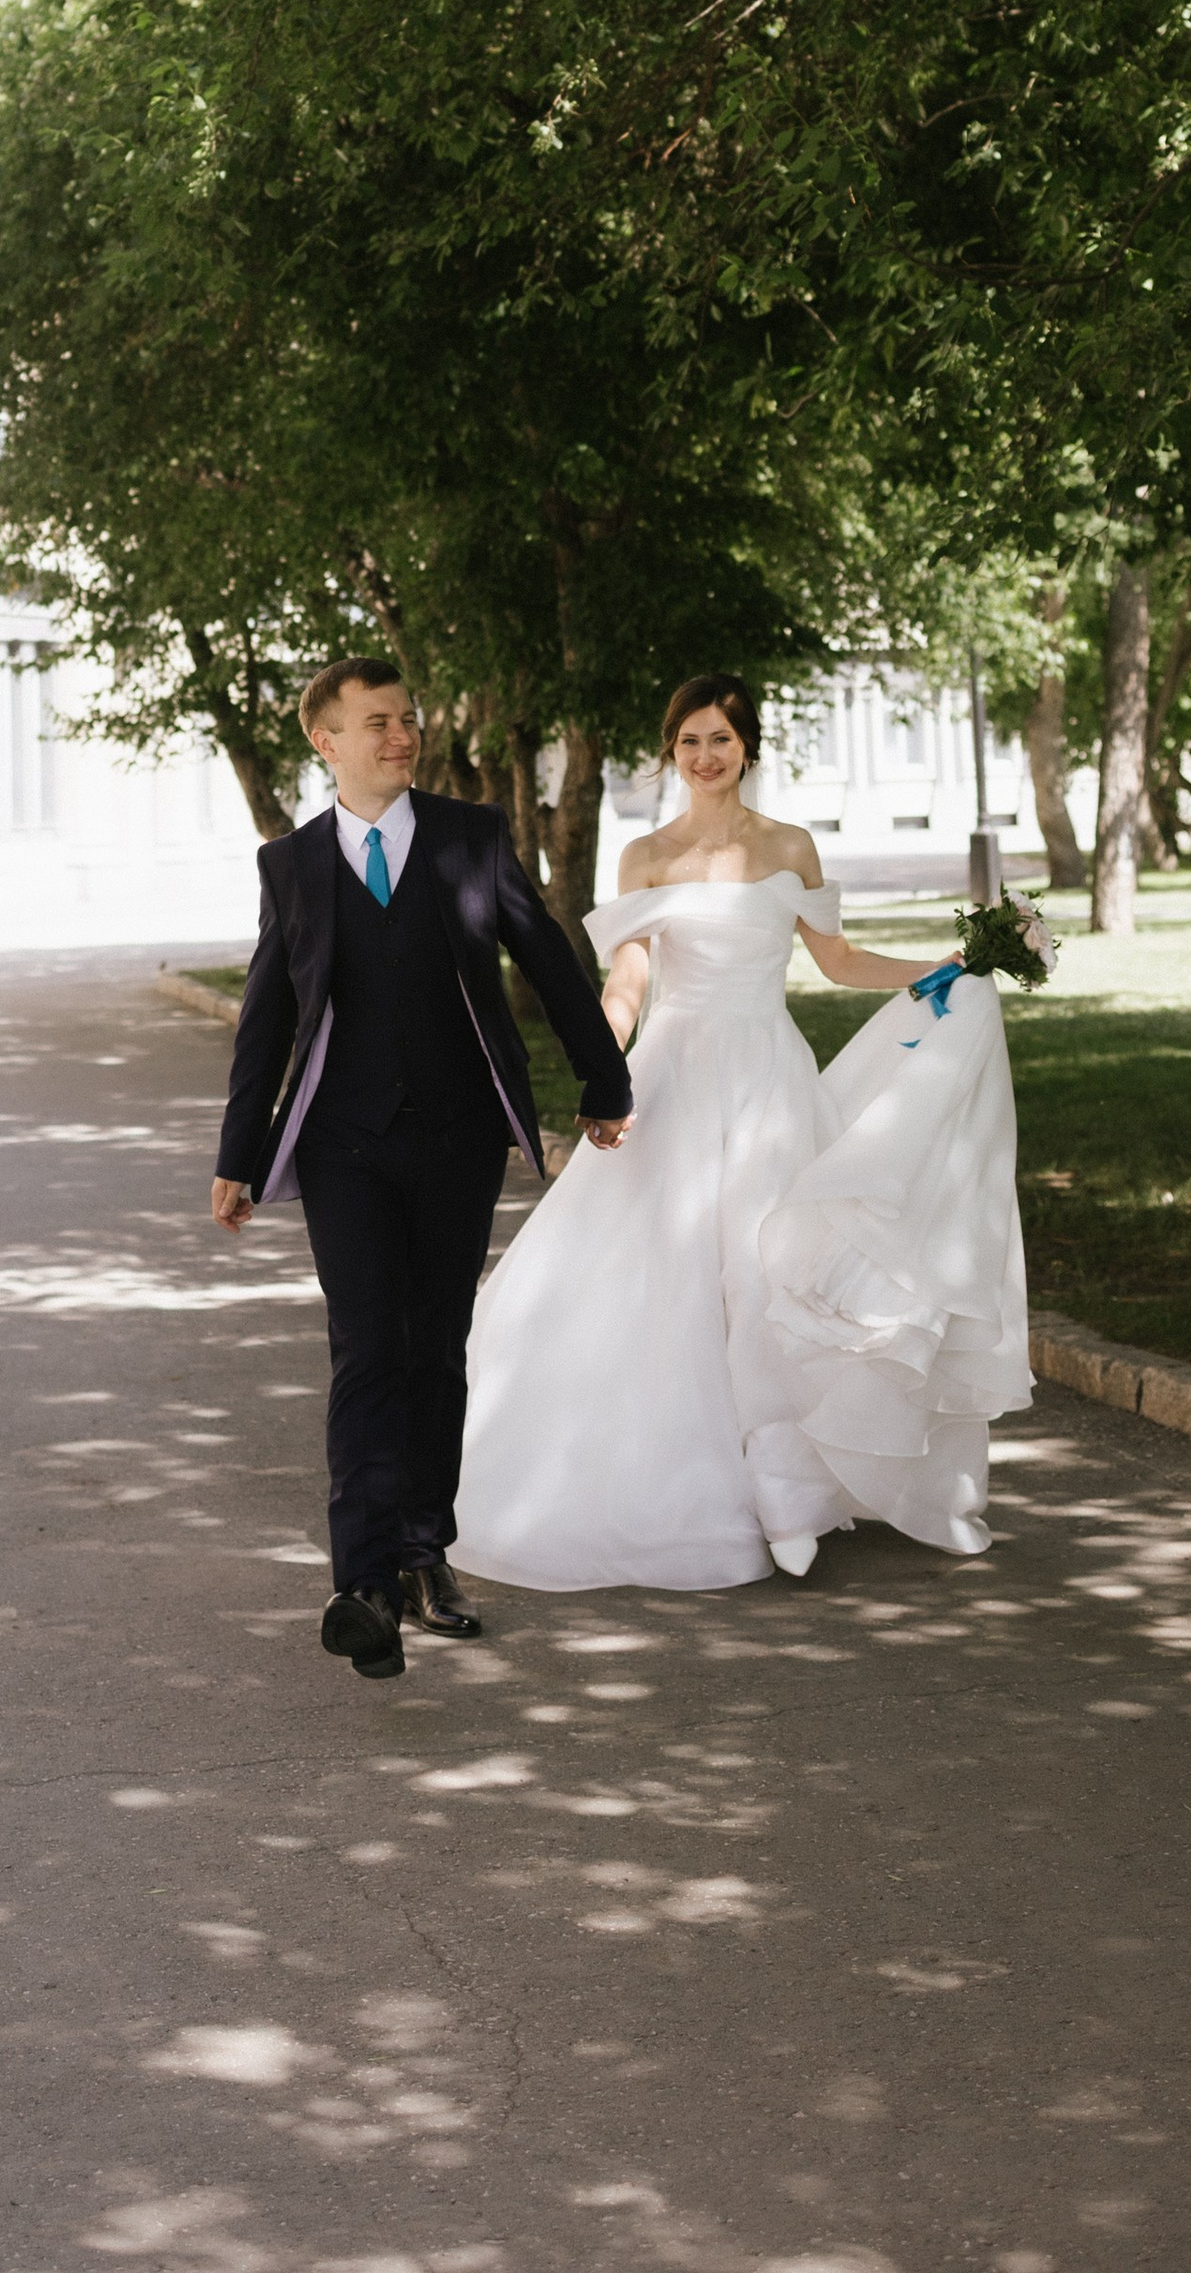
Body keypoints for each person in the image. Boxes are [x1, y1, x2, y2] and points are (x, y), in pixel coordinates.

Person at [452, 672, 1031, 1592]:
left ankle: (793, 1494)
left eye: (720, 738)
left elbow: (837, 961)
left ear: (747, 747)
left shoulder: (790, 846)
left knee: (772, 1271)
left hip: (768, 1078)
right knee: (665, 1283)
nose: (704, 756)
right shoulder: (644, 855)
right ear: (670, 751)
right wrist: (605, 1066)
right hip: (677, 1078)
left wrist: (948, 964)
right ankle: (707, 1488)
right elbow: (629, 985)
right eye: (688, 740)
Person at [209, 658, 635, 1681]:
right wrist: (239, 1154)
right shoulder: (293, 867)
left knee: (435, 1345)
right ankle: (361, 1579)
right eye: (378, 722)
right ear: (328, 741)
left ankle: (424, 1552)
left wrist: (603, 1080)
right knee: (364, 1344)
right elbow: (268, 1019)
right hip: (341, 1143)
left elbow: (549, 964)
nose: (402, 735)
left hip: (453, 1138)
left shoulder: (471, 839)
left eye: (406, 719)